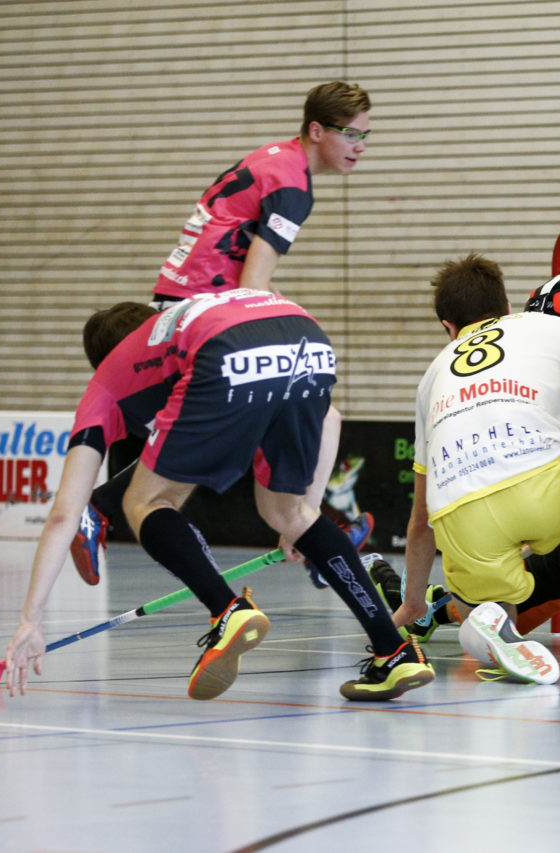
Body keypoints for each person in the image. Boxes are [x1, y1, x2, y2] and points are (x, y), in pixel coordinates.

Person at [6, 290, 434, 701]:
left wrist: (30, 620)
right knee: (286, 512)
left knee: (145, 502)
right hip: (308, 336)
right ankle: (394, 651)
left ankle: (228, 611)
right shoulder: (180, 326)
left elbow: (64, 514)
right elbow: (331, 419)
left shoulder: (108, 383)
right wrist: (300, 518)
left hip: (229, 351)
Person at [73, 82, 374, 586]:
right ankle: (312, 530)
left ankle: (313, 528)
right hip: (205, 313)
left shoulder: (276, 159)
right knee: (269, 426)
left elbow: (250, 276)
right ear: (317, 130)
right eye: (350, 133)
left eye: (367, 134)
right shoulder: (293, 186)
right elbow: (254, 285)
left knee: (306, 420)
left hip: (188, 303)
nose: (360, 145)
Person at [388, 255, 560, 686]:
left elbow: (420, 520)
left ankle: (500, 636)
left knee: (488, 617)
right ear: (509, 307)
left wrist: (411, 604)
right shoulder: (553, 329)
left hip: (461, 513)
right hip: (541, 489)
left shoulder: (430, 377)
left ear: (447, 325)